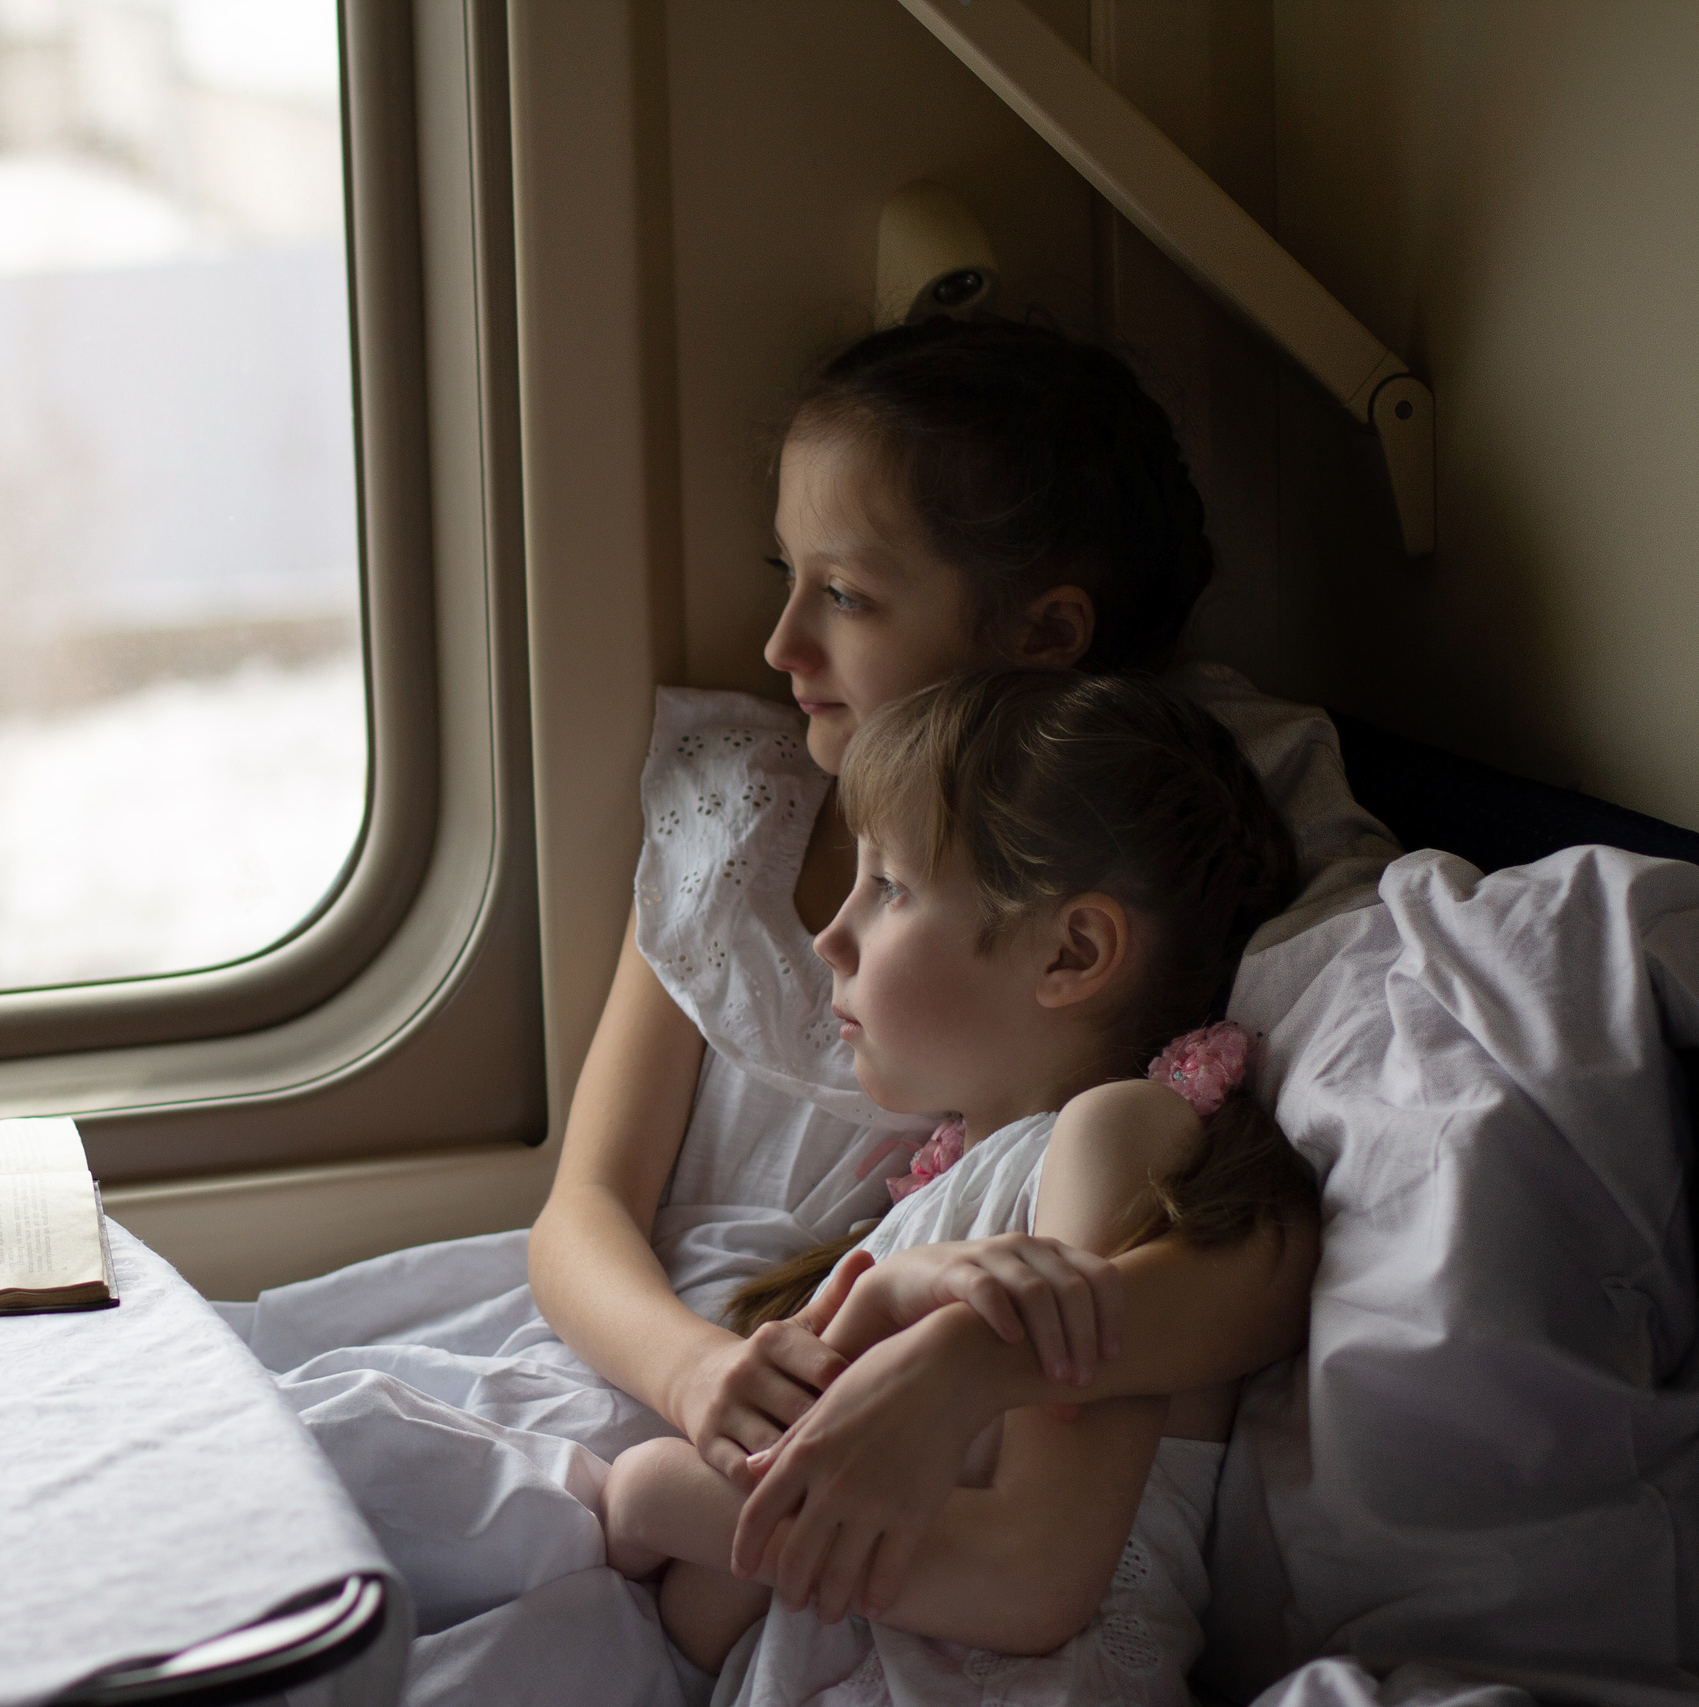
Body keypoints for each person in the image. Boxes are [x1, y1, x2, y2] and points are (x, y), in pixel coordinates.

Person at [214, 316, 1397, 1705]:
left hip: (823, 1436)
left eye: (843, 593)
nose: (779, 640)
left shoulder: (1146, 865)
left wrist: (896, 1371)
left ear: (1041, 635)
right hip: (677, 1347)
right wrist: (698, 1376)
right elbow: (581, 1207)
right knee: (321, 1471)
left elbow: (1238, 1245)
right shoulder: (746, 823)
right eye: (785, 576)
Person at [598, 668, 1314, 1700]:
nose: (830, 937)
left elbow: (1032, 1579)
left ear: (1072, 951)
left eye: (887, 888)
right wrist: (873, 1309)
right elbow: (709, 1627)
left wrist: (652, 1495)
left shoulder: (1112, 1138)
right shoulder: (938, 1207)